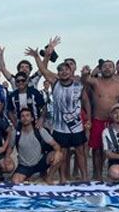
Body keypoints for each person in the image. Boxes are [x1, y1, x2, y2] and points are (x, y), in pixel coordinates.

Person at [28, 50, 89, 181]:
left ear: (71, 70)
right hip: (60, 127)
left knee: (80, 152)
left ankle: (85, 178)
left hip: (76, 126)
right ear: (58, 73)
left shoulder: (78, 84)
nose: (64, 72)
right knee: (62, 153)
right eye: (60, 70)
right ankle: (62, 178)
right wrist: (37, 56)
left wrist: (88, 118)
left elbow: (85, 101)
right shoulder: (54, 82)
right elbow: (43, 69)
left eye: (66, 69)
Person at [80, 59, 119, 179]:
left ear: (114, 70)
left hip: (113, 122)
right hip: (98, 120)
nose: (107, 68)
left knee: (111, 148)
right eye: (105, 66)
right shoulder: (96, 82)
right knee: (97, 149)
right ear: (101, 69)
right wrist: (85, 73)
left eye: (110, 66)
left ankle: (109, 171)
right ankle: (96, 174)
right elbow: (85, 80)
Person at [10, 107, 63, 184]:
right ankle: (29, 175)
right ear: (20, 119)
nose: (25, 118)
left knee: (59, 156)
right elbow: (10, 148)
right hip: (24, 166)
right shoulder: (15, 133)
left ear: (32, 118)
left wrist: (57, 152)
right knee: (15, 181)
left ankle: (49, 177)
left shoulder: (40, 131)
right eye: (23, 116)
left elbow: (55, 145)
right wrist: (7, 157)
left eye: (27, 115)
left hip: (40, 162)